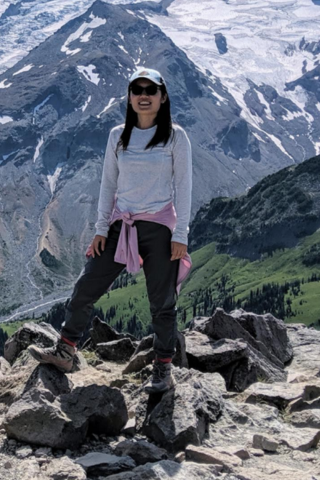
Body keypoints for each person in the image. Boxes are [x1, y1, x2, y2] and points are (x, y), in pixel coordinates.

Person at [28, 66, 193, 394]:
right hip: (121, 225)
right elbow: (108, 184)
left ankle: (163, 368)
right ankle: (65, 351)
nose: (143, 96)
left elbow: (184, 186)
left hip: (160, 227)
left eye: (150, 90)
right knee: (85, 287)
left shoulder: (176, 137)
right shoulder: (117, 135)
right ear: (130, 97)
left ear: (162, 97)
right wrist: (101, 228)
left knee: (162, 302)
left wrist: (181, 236)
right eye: (137, 89)